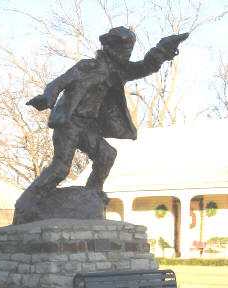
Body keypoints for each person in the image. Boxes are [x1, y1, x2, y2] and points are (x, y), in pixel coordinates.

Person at [13, 26, 188, 223]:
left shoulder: (119, 72)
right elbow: (58, 83)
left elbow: (145, 66)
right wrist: (47, 98)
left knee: (107, 154)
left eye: (129, 51)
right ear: (110, 48)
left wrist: (164, 49)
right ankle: (25, 204)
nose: (127, 55)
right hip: (69, 123)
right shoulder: (86, 67)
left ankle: (92, 195)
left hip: (88, 127)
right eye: (124, 50)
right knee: (61, 168)